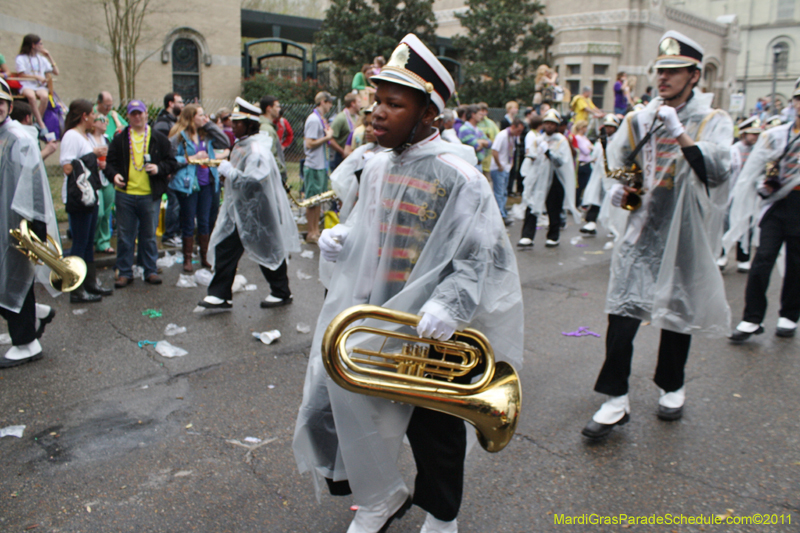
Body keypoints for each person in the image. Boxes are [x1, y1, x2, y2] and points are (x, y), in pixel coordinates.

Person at [293, 33, 523, 533]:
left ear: (429, 115)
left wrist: (450, 305)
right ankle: (378, 497)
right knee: (349, 410)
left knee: (431, 427)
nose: (376, 112)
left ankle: (443, 516)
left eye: (393, 104)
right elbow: (370, 225)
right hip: (376, 313)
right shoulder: (377, 165)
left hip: (431, 326)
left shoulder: (460, 177)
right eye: (376, 100)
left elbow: (479, 255)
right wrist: (344, 238)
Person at [581, 31, 733, 439]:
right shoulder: (638, 119)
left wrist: (682, 133)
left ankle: (671, 384)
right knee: (622, 312)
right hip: (640, 229)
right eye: (660, 70)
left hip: (683, 231)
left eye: (674, 71)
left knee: (676, 312)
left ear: (695, 75)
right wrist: (618, 188)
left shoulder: (713, 120)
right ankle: (614, 398)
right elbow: (619, 162)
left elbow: (718, 171)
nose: (663, 78)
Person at [195, 98, 299, 311]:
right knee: (227, 248)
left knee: (267, 248)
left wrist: (230, 173)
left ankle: (280, 292)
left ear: (250, 124)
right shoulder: (243, 146)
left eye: (238, 122)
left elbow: (255, 181)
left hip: (258, 211)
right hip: (242, 210)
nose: (233, 126)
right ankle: (220, 294)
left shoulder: (256, 150)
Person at [727, 79, 800, 342]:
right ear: (793, 102)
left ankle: (789, 315)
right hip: (778, 206)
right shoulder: (777, 134)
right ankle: (751, 318)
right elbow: (759, 169)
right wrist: (765, 184)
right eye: (798, 99)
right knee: (763, 260)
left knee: (796, 264)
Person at [0, 78, 59, 368]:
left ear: (9, 106)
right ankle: (36, 312)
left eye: (0, 103)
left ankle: (26, 342)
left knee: (13, 276)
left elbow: (34, 187)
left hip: (17, 224)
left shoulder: (19, 138)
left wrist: (35, 231)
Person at [106, 100, 178, 288]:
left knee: (148, 235)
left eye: (140, 113)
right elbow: (109, 163)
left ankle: (150, 270)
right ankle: (124, 272)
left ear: (146, 114)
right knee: (124, 235)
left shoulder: (157, 137)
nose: (137, 117)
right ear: (128, 116)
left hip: (149, 195)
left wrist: (158, 168)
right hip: (125, 194)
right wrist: (114, 176)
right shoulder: (121, 138)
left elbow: (172, 162)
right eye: (133, 114)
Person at [60, 99, 113, 303]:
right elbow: (68, 167)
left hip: (91, 194)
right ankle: (77, 288)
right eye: (92, 114)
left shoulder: (85, 136)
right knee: (80, 243)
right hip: (79, 198)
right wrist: (92, 155)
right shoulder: (71, 136)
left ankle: (91, 283)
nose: (94, 117)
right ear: (84, 116)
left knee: (88, 242)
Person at [168, 104, 230, 272]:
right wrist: (192, 158)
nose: (204, 118)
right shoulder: (179, 137)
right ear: (191, 117)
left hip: (207, 182)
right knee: (188, 221)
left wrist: (209, 124)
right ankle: (187, 258)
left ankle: (205, 256)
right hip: (189, 184)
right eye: (201, 115)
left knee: (204, 221)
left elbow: (225, 142)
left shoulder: (206, 134)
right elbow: (171, 159)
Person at [517, 109, 580, 249]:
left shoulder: (561, 141)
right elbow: (532, 156)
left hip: (555, 178)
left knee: (554, 207)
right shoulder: (538, 140)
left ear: (556, 125)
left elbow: (561, 162)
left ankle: (553, 235)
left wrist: (548, 153)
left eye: (552, 124)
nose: (549, 126)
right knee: (532, 205)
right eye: (547, 123)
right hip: (538, 178)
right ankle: (527, 236)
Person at [717, 116, 762, 271]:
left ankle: (743, 258)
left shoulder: (759, 151)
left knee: (747, 223)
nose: (755, 137)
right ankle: (721, 255)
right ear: (743, 133)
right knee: (726, 223)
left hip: (750, 194)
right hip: (731, 193)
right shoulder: (733, 150)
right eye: (752, 134)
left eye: (757, 134)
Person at [581, 114, 621, 236]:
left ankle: (613, 226)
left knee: (612, 201)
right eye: (607, 127)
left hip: (613, 176)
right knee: (595, 197)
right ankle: (591, 222)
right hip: (599, 174)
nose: (608, 129)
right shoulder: (601, 141)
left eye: (611, 127)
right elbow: (595, 156)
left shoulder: (619, 141)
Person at [303, 91, 334, 243]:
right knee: (312, 201)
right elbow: (309, 143)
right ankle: (311, 232)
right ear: (322, 101)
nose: (331, 105)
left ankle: (315, 230)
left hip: (321, 165)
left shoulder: (321, 119)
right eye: (329, 102)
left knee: (318, 200)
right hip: (314, 166)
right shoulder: (314, 120)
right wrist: (327, 137)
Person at [154, 92, 185, 248]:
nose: (182, 105)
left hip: (174, 169)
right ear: (170, 104)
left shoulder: (173, 122)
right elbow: (161, 149)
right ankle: (169, 234)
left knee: (177, 204)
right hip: (168, 171)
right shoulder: (162, 124)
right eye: (180, 102)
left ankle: (175, 233)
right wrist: (166, 168)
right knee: (173, 204)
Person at [14, 34, 58, 132]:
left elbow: (56, 72)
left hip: (38, 86)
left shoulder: (42, 59)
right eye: (40, 44)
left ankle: (36, 120)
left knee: (45, 96)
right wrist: (37, 77)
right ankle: (40, 123)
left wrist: (49, 56)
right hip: (26, 85)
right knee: (31, 97)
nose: (42, 46)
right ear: (33, 45)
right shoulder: (21, 58)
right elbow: (21, 74)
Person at [490, 118, 525, 225]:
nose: (519, 133)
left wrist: (511, 163)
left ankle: (502, 211)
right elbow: (494, 151)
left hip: (506, 167)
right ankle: (500, 215)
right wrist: (499, 165)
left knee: (504, 192)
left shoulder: (513, 137)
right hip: (498, 168)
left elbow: (512, 150)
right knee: (499, 192)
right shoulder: (502, 135)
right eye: (518, 130)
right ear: (513, 127)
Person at [329, 93, 362, 171]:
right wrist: (342, 151)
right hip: (341, 157)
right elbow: (330, 139)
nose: (361, 104)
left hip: (354, 156)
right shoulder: (341, 118)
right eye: (359, 102)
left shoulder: (358, 117)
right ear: (353, 104)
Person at [259, 95, 288, 182]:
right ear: (269, 109)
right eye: (277, 106)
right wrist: (281, 171)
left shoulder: (267, 126)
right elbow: (270, 155)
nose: (279, 109)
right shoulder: (266, 129)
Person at [457, 105, 489, 170]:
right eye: (480, 114)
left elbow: (489, 143)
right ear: (473, 115)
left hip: (479, 165)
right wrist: (482, 142)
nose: (482, 116)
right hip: (469, 165)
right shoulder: (464, 129)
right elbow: (476, 146)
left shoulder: (478, 129)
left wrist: (481, 142)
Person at [572, 119, 594, 206]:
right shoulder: (578, 138)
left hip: (588, 163)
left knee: (585, 184)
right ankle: (576, 203)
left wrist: (590, 147)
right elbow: (586, 150)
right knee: (580, 185)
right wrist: (590, 147)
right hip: (582, 163)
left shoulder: (584, 138)